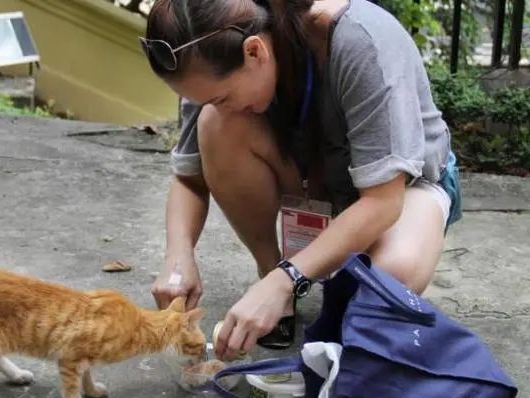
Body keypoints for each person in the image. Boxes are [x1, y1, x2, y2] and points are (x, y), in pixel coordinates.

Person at [141, 0, 462, 361]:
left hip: (403, 188)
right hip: (311, 177)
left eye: (222, 97)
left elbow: (383, 201)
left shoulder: (363, 41)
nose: (218, 104)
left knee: (391, 276)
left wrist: (288, 277)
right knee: (215, 125)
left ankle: (282, 282)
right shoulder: (207, 55)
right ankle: (271, 276)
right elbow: (189, 180)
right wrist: (178, 257)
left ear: (254, 51)